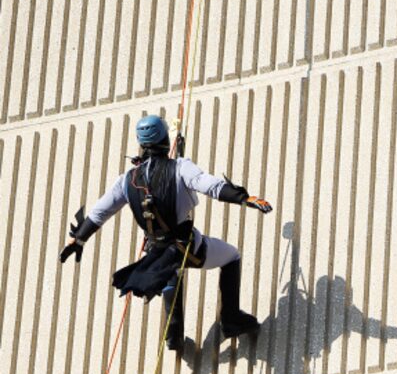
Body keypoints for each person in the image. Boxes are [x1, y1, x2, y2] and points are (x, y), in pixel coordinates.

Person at [60, 115, 272, 351]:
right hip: (187, 246)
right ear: (164, 138)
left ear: (141, 144)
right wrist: (245, 198)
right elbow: (209, 185)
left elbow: (99, 212)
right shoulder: (180, 167)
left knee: (167, 264)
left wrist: (78, 239)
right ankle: (231, 320)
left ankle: (173, 335)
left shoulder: (127, 180)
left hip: (156, 250)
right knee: (232, 256)